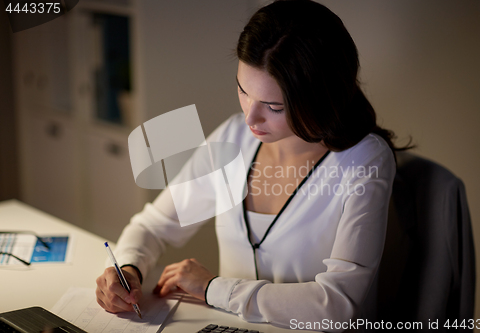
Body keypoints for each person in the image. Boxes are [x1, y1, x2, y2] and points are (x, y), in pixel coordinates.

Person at [96, 0, 407, 330]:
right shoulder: (235, 137)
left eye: (273, 106)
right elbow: (154, 226)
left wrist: (214, 288)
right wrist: (127, 269)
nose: (250, 117)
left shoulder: (365, 160)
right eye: (243, 91)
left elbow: (337, 305)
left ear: (319, 99)